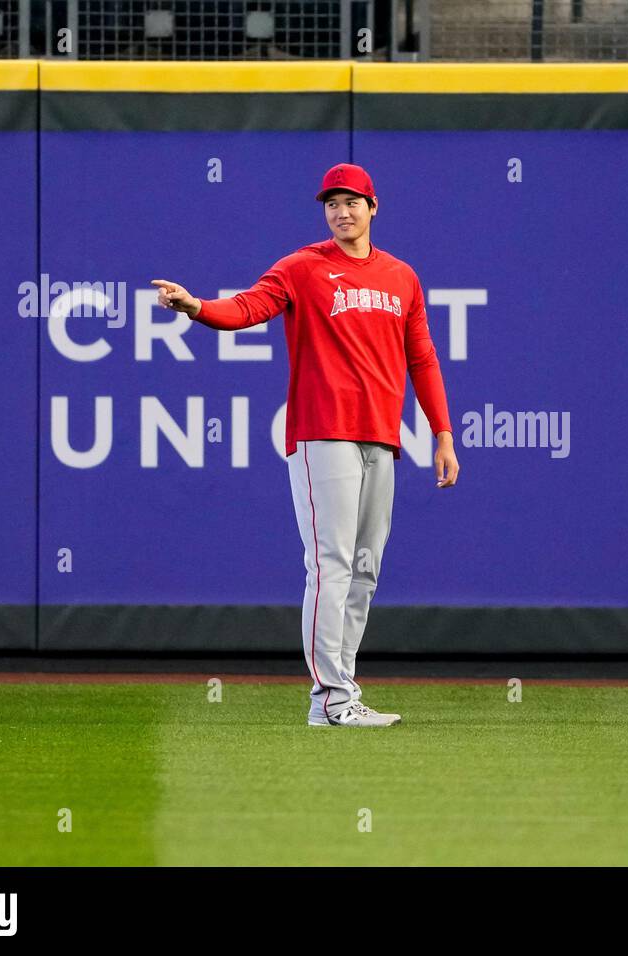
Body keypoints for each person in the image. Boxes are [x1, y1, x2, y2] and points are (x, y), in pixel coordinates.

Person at [152, 162, 459, 728]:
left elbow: (423, 357)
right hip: (322, 432)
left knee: (365, 568)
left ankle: (344, 692)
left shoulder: (402, 277)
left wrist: (441, 432)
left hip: (382, 436)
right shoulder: (303, 267)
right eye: (332, 203)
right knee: (331, 563)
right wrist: (196, 307)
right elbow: (246, 308)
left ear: (373, 207)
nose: (342, 211)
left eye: (352, 202)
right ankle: (330, 700)